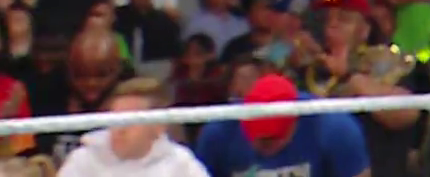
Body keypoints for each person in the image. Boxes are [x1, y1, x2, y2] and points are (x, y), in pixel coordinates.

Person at [192, 73, 369, 177]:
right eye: (256, 136)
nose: (262, 146)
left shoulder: (335, 128)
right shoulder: (219, 133)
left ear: (294, 122)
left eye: (271, 139)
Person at [56, 79, 208, 177]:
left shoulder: (180, 164)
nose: (120, 129)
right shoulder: (84, 159)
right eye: (115, 118)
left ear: (158, 126)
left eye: (130, 121)